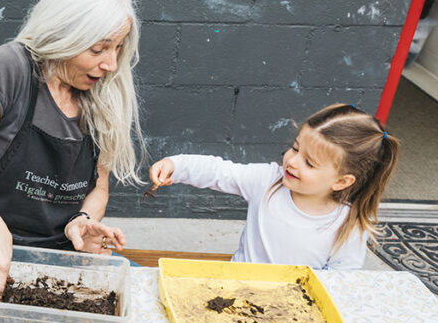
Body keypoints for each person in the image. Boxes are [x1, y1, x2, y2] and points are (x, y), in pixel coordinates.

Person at [0, 0, 144, 300]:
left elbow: (99, 188)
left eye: (118, 47)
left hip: (63, 259)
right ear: (64, 32)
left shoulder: (104, 91)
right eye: (98, 48)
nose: (112, 64)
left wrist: (83, 220)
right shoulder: (8, 70)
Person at [149, 103, 400, 269]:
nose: (292, 161)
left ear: (341, 181)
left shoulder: (348, 224)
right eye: (295, 148)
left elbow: (343, 280)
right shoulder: (269, 181)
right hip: (233, 286)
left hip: (291, 309)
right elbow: (220, 171)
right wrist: (176, 165)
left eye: (310, 163)